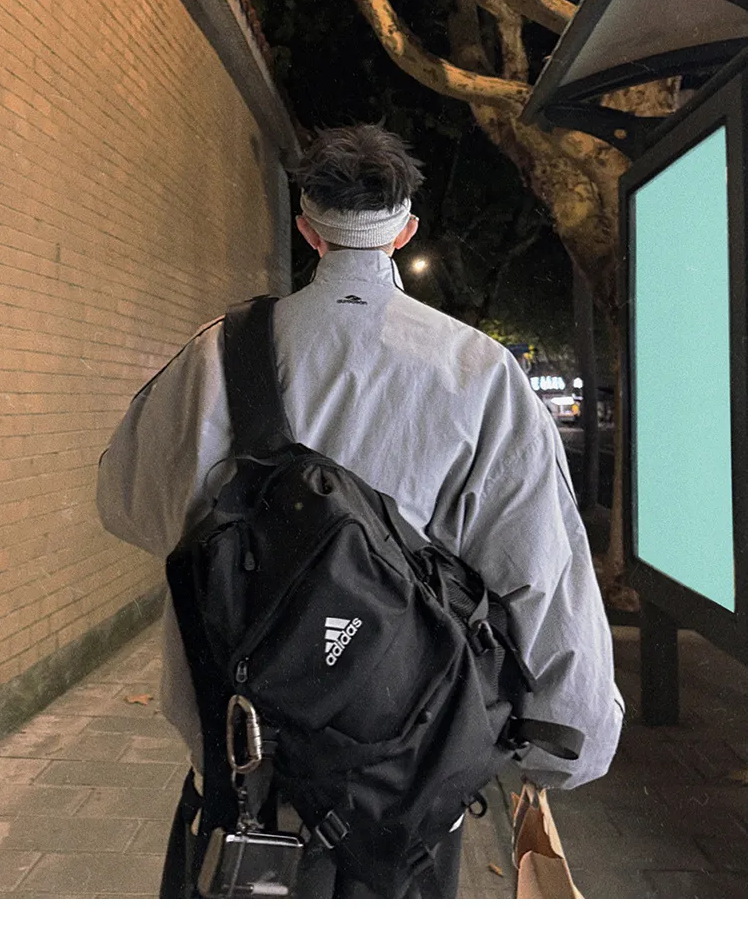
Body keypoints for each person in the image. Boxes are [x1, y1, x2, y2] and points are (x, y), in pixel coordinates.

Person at [96, 123, 624, 898]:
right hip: (406, 791)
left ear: (308, 230)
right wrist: (569, 742)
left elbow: (127, 506)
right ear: (405, 231)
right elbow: (540, 570)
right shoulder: (477, 370)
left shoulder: (215, 355)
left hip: (239, 777)